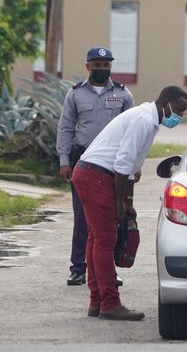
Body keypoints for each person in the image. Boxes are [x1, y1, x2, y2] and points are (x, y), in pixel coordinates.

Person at [72, 85, 187, 321]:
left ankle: (97, 301)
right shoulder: (143, 120)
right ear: (164, 102)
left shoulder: (149, 120)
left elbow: (132, 171)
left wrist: (128, 203)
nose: (179, 117)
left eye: (183, 113)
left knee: (97, 238)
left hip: (91, 173)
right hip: (96, 175)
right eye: (178, 110)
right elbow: (122, 165)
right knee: (106, 240)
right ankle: (110, 303)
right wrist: (119, 204)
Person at [56, 47, 133, 287]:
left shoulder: (122, 94)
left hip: (114, 160)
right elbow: (66, 128)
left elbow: (133, 130)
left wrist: (133, 166)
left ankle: (108, 269)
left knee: (112, 216)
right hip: (83, 157)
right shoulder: (76, 94)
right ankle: (78, 268)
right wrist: (64, 161)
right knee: (83, 216)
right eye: (97, 65)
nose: (102, 69)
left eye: (106, 64)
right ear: (88, 66)